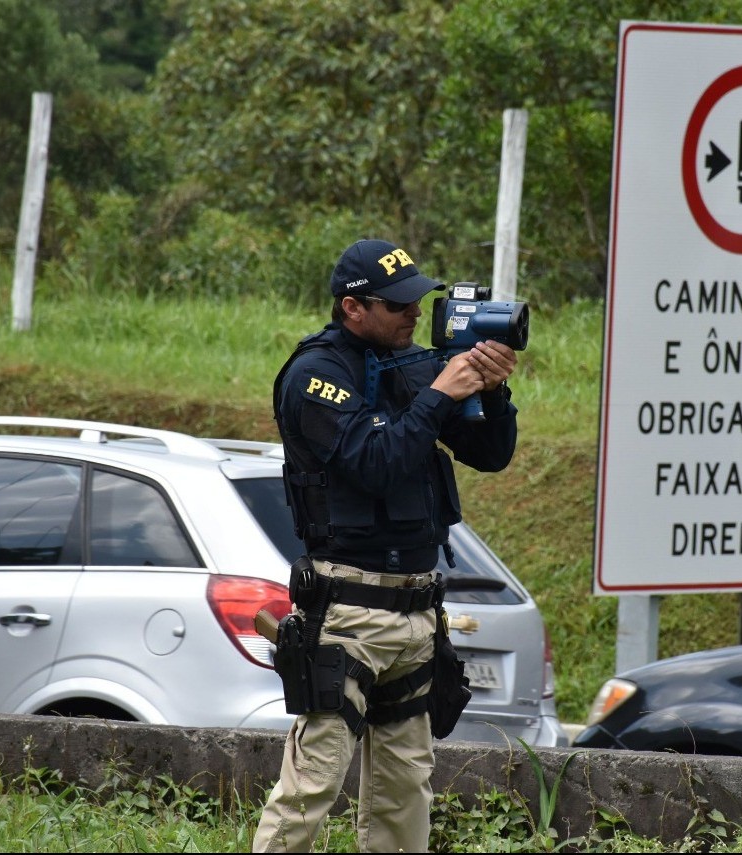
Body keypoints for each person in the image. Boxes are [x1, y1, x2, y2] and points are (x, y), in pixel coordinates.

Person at [253, 238, 519, 853]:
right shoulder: (315, 376)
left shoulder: (418, 366)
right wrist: (439, 395)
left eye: (417, 301)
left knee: (405, 797)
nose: (412, 314)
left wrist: (490, 389)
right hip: (347, 612)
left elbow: (491, 455)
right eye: (397, 305)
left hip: (417, 613)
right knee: (311, 787)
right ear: (352, 307)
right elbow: (373, 463)